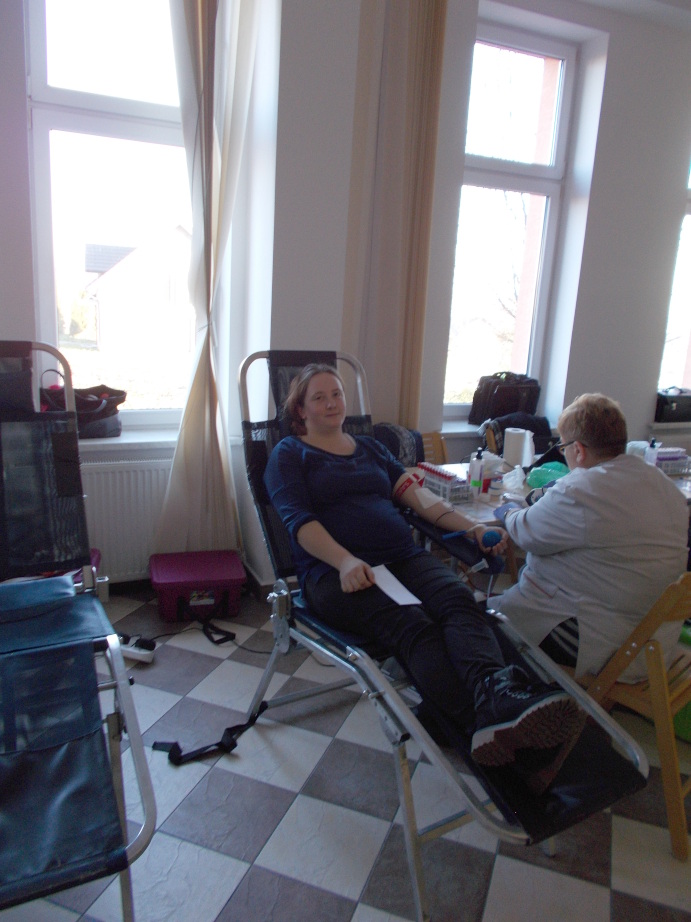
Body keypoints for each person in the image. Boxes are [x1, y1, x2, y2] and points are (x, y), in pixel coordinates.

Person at [264, 363, 585, 770]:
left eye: (337, 394)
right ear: (301, 410)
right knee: (414, 625)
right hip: (337, 574)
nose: (331, 403)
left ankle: (495, 691)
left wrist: (471, 528)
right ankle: (474, 724)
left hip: (402, 557)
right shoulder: (290, 454)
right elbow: (299, 523)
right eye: (319, 397)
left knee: (460, 601)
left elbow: (419, 499)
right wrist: (344, 561)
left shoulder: (370, 449)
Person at [497, 393, 689, 681]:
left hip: (602, 641)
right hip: (654, 641)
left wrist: (508, 510)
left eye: (563, 448)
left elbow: (525, 532)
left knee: (484, 621)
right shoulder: (660, 482)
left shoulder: (582, 489)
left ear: (578, 450)